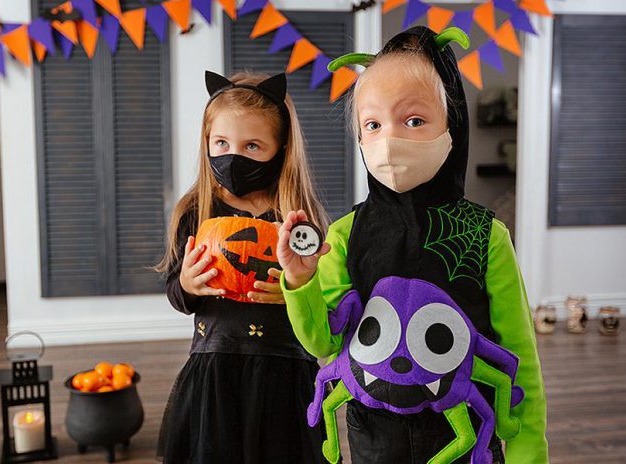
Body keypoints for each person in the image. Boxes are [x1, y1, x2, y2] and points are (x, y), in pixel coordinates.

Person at [278, 27, 548, 463]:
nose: (390, 139)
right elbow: (322, 344)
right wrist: (300, 279)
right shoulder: (345, 234)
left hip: (466, 434)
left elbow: (518, 359)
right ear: (360, 138)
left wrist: (528, 452)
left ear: (452, 126)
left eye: (414, 120)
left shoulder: (485, 234)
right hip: (374, 439)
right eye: (373, 124)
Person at [156, 70, 328, 464]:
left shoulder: (297, 219)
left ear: (280, 149)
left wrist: (295, 288)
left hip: (284, 373)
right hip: (217, 370)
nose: (233, 156)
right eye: (222, 143)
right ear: (207, 144)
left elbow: (323, 303)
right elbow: (176, 295)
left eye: (252, 146)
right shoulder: (195, 212)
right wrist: (187, 284)